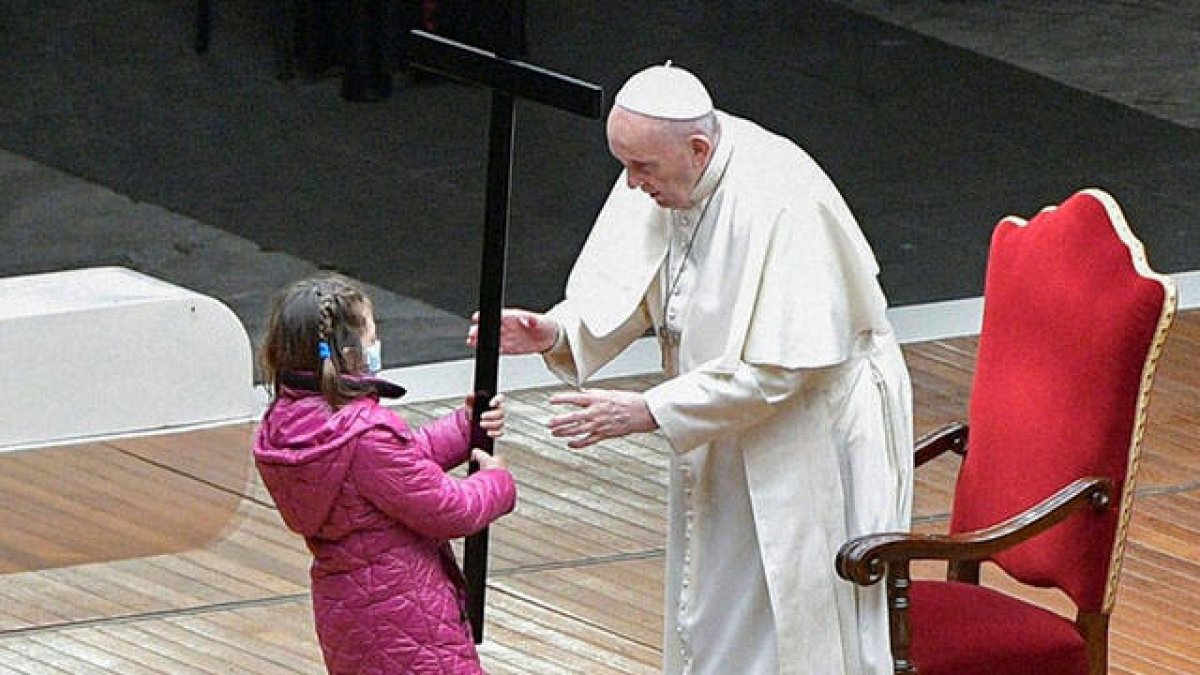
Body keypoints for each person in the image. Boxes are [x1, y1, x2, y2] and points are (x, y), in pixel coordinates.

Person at [469, 63, 913, 674]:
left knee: (791, 608)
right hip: (721, 419)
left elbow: (782, 371)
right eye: (623, 165)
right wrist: (558, 329)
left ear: (698, 148)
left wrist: (647, 409)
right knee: (714, 598)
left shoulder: (783, 197)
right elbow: (652, 281)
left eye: (642, 168)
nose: (631, 185)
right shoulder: (666, 171)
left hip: (805, 429)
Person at [255, 272, 516, 674]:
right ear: (349, 350)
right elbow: (451, 508)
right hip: (410, 620)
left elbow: (394, 471)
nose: (378, 345)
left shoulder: (287, 428)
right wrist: (495, 482)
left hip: (347, 615)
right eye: (373, 336)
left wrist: (467, 427)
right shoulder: (365, 436)